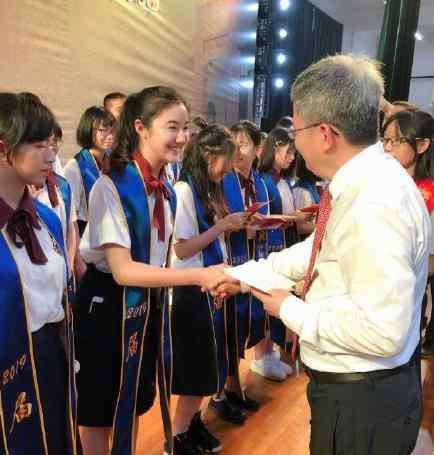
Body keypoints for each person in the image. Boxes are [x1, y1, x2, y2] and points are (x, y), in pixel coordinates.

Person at [243, 54, 431, 455]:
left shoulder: (376, 201)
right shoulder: (363, 183)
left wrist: (287, 308)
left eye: (296, 131)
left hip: (364, 399)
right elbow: (320, 247)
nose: (293, 143)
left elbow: (382, 331)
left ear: (325, 133)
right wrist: (248, 273)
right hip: (358, 394)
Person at [74, 86, 235, 455]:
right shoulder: (109, 185)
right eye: (171, 127)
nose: (182, 138)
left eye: (184, 128)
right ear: (141, 128)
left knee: (131, 399)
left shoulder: (166, 191)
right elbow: (124, 271)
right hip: (106, 306)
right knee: (100, 408)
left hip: (146, 304)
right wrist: (198, 276)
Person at [0, 93, 79, 454]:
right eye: (38, 144)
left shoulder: (45, 219)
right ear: (4, 150)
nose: (51, 154)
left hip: (49, 356)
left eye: (52, 144)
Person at [170, 124, 246, 454]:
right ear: (207, 155)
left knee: (207, 366)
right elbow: (182, 249)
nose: (229, 169)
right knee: (195, 370)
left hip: (210, 284)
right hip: (191, 289)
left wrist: (232, 223)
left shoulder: (206, 189)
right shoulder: (185, 189)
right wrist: (221, 226)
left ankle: (192, 424)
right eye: (226, 161)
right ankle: (176, 436)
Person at [381, 110, 434, 358]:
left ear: (422, 145)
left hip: (407, 294)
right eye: (385, 140)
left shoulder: (428, 194)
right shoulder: (378, 185)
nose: (388, 148)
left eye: (398, 141)